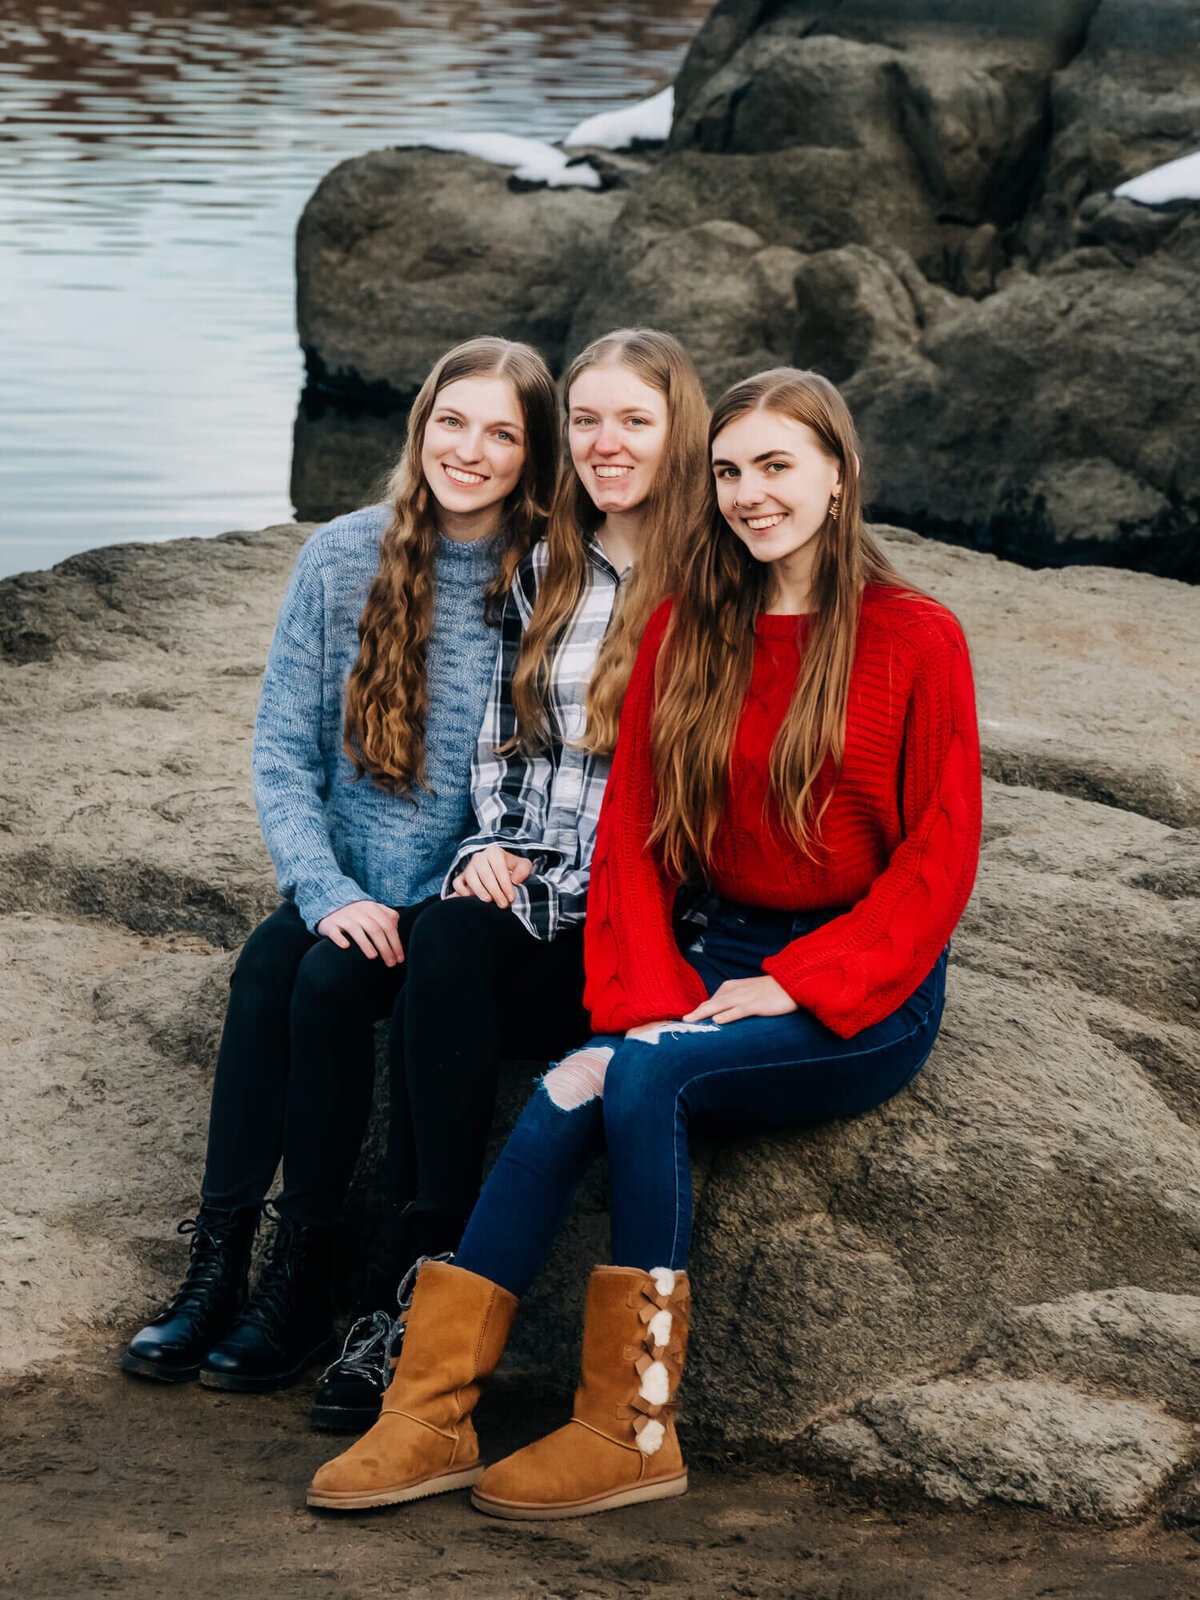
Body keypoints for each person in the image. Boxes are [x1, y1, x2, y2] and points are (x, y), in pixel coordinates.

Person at [305, 366, 982, 1519]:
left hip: (863, 981)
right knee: (573, 1084)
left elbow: (938, 860)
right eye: (728, 471)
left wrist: (793, 984)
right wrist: (641, 1000)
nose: (749, 494)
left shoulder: (917, 638)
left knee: (653, 1073)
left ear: (838, 475)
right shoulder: (688, 627)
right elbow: (632, 845)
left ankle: (632, 1424)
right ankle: (430, 1410)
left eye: (777, 466)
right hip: (712, 955)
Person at [120, 337, 559, 1393]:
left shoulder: (549, 580)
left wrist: (463, 872)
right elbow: (281, 752)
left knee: (319, 978)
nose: (470, 448)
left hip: (451, 906)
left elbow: (540, 774)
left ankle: (303, 1269)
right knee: (273, 961)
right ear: (420, 427)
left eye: (502, 432)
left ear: (534, 453)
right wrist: (325, 890)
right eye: (452, 421)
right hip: (348, 882)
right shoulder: (342, 556)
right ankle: (218, 1266)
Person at [310, 328, 709, 1432]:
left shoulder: (715, 577)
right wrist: (491, 846)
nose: (605, 441)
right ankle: (418, 1270)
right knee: (442, 936)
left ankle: (420, 1293)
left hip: (642, 926)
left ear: (681, 432)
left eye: (634, 418)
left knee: (443, 958)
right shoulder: (551, 562)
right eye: (586, 419)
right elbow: (507, 750)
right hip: (542, 896)